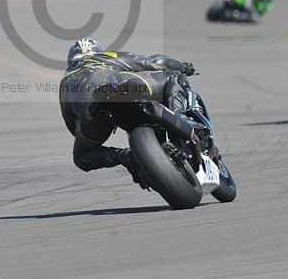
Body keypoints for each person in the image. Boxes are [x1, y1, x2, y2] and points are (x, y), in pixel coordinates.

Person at [58, 38, 197, 185]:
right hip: (125, 88)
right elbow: (150, 63)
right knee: (174, 77)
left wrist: (88, 131)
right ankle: (181, 117)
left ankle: (126, 156)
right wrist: (182, 67)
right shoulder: (106, 56)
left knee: (82, 157)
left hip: (93, 114)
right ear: (97, 51)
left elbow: (72, 124)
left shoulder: (66, 81)